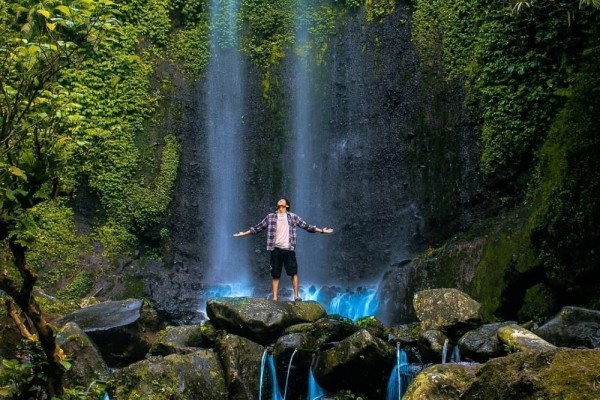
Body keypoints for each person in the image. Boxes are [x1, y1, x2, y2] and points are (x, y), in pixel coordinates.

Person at [233, 198, 333, 301]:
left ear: (287, 206)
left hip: (289, 249)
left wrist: (321, 230)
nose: (280, 201)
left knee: (293, 272)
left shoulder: (293, 217)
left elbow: (306, 226)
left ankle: (296, 296)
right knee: (275, 274)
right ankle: (275, 298)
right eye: (279, 200)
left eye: (282, 200)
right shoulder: (270, 217)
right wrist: (243, 234)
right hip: (275, 248)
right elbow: (258, 228)